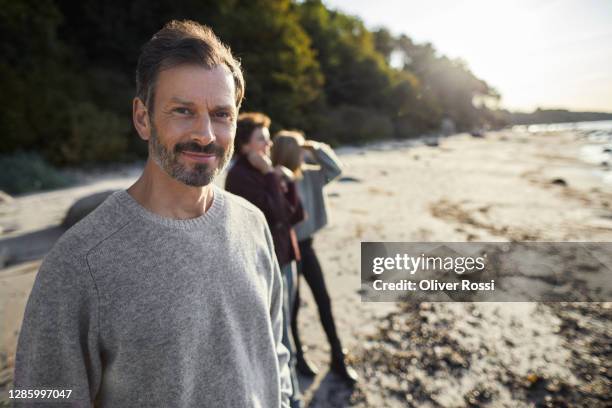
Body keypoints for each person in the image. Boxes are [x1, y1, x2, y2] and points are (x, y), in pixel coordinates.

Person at [13, 20, 292, 408]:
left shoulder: (253, 224)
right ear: (143, 118)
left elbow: (272, 351)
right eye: (183, 111)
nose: (206, 134)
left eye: (221, 114)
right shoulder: (80, 262)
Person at [225, 113, 304, 408]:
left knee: (290, 327)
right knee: (280, 339)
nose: (269, 142)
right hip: (267, 267)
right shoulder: (239, 178)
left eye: (268, 137)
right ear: (245, 146)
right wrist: (273, 177)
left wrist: (286, 179)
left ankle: (293, 389)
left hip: (288, 259)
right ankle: (291, 399)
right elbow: (279, 217)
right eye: (262, 138)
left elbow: (297, 215)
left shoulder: (269, 169)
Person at [270, 130, 358, 385]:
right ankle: (299, 358)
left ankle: (337, 358)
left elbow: (335, 168)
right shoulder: (276, 180)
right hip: (287, 252)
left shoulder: (311, 175)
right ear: (288, 152)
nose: (302, 153)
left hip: (308, 248)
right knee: (292, 309)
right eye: (298, 149)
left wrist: (313, 146)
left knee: (324, 301)